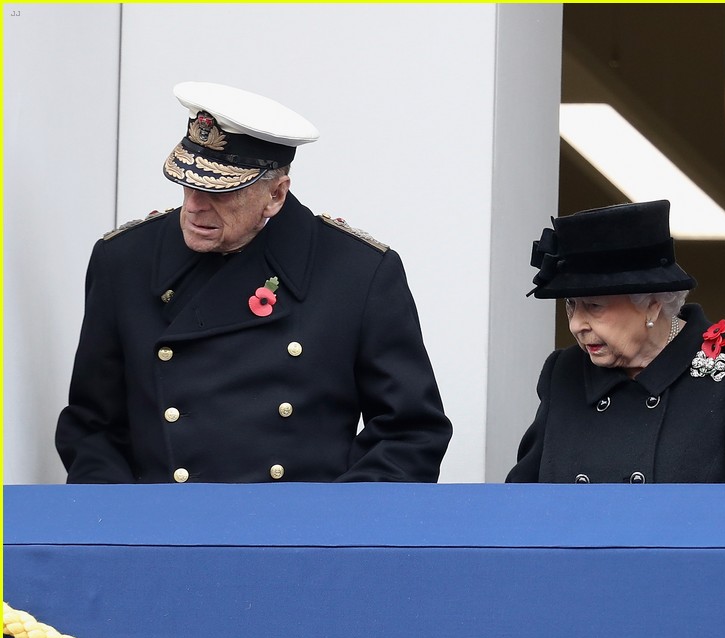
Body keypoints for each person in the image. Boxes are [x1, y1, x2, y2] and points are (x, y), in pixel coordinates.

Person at [55, 82, 452, 483]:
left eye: (219, 191)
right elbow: (92, 428)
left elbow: (410, 433)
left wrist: (334, 525)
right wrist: (121, 528)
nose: (193, 205)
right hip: (163, 530)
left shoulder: (358, 273)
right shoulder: (123, 261)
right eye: (188, 182)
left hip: (296, 534)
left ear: (276, 195)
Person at [507, 200, 725, 483]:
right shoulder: (564, 372)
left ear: (651, 305)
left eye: (594, 307)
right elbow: (521, 504)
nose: (576, 325)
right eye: (571, 304)